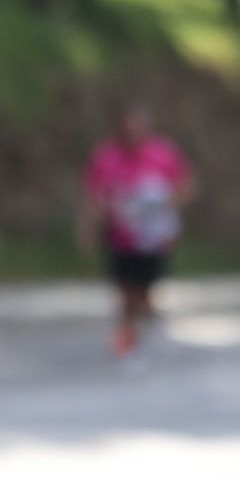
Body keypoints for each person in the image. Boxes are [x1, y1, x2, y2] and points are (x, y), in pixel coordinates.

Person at [80, 105, 195, 359]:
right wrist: (93, 223)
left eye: (138, 130)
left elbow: (184, 186)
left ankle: (148, 327)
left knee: (143, 293)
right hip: (120, 237)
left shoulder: (162, 153)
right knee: (125, 294)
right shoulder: (106, 157)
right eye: (127, 130)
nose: (132, 135)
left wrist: (163, 208)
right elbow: (94, 195)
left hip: (153, 239)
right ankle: (127, 346)